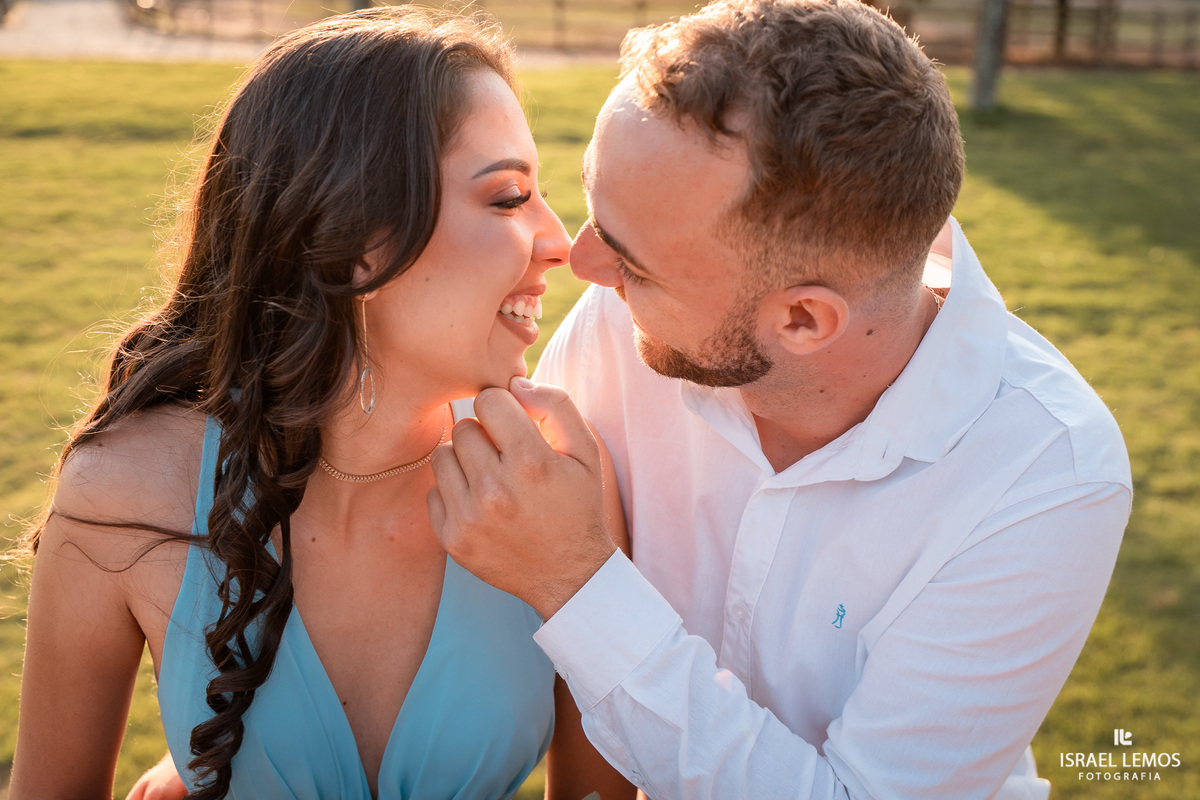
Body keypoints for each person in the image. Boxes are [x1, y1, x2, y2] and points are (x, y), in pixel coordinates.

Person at [427, 0, 1132, 798]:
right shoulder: (622, 325)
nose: (581, 262)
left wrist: (576, 585)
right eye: (597, 211)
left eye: (635, 263)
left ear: (802, 320)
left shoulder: (1045, 475)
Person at [10, 8, 633, 800]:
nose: (559, 243)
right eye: (509, 197)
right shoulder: (123, 494)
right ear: (352, 243)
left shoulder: (559, 486)